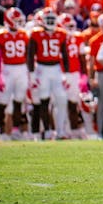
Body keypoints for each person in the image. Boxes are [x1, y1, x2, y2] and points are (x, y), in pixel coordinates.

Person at [27, 11, 70, 140]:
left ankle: (60, 130)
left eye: (52, 19)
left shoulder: (61, 33)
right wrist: (32, 73)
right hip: (42, 68)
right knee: (44, 100)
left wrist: (66, 73)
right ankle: (47, 130)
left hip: (56, 68)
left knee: (62, 99)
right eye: (48, 19)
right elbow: (31, 55)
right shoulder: (36, 34)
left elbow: (65, 54)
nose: (51, 22)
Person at [0, 8, 30, 140]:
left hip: (21, 68)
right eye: (16, 20)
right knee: (3, 102)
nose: (18, 22)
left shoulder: (24, 34)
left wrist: (29, 75)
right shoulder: (0, 35)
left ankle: (15, 129)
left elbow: (28, 56)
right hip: (7, 69)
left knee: (18, 102)